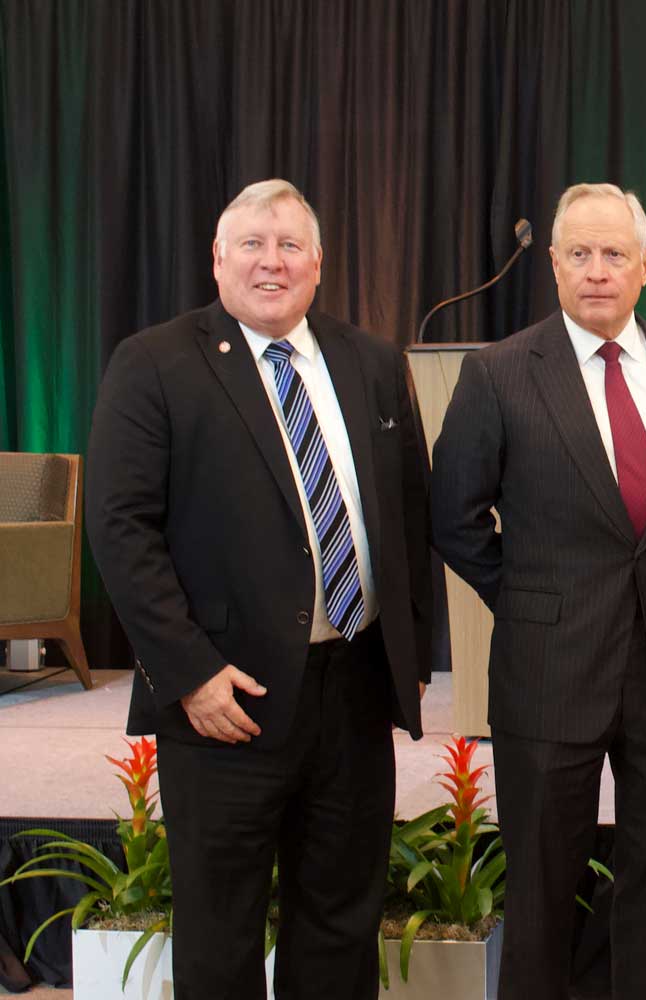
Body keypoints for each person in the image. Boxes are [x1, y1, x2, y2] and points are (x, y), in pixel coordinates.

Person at [86, 179, 434, 998]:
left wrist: (410, 650)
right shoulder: (155, 362)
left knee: (342, 923)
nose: (270, 263)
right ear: (218, 259)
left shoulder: (374, 362)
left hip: (350, 687)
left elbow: (408, 512)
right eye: (251, 244)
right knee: (220, 932)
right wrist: (190, 673)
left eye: (288, 246)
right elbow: (120, 528)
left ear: (318, 264)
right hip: (225, 701)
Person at [430, 182, 646, 1000]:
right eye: (580, 255)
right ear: (555, 265)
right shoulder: (499, 373)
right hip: (547, 669)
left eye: (615, 254)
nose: (598, 271)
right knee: (541, 888)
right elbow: (454, 517)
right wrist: (529, 597)